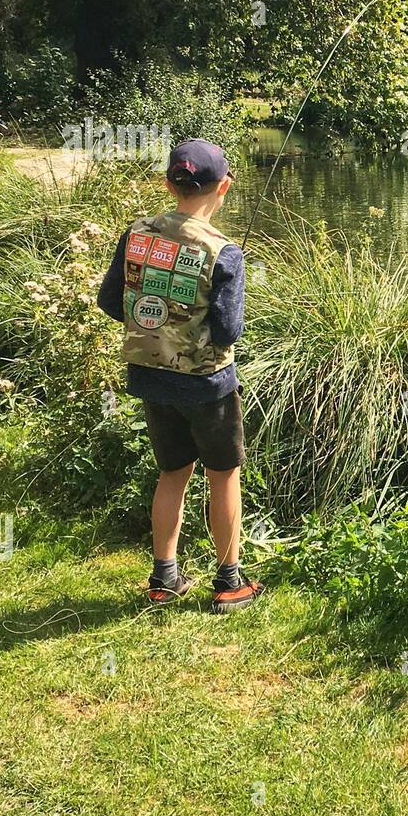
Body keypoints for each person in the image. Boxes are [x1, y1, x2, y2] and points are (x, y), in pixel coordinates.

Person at [96, 138, 263, 613]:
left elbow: (111, 302)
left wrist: (159, 324)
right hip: (207, 384)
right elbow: (228, 329)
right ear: (224, 187)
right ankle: (230, 581)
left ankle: (163, 577)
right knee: (223, 475)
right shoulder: (224, 251)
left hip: (150, 376)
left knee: (172, 473)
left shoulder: (137, 234)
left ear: (169, 183)